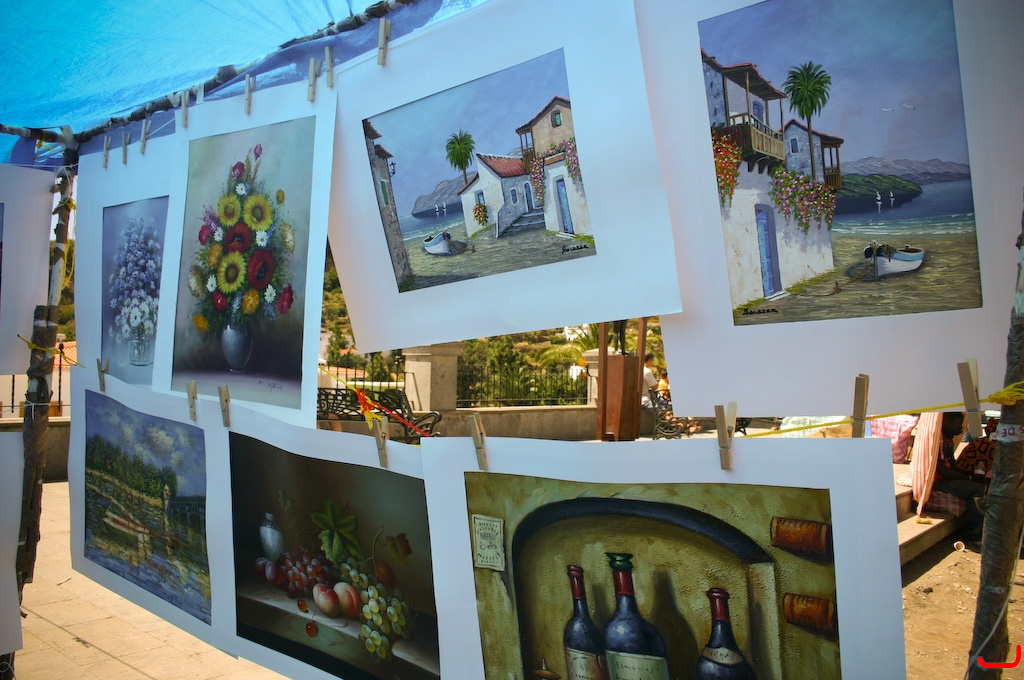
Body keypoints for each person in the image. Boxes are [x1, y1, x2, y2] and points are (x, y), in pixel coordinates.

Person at [932, 413, 996, 542]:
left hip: (946, 479)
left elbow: (952, 465)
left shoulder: (948, 439)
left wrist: (971, 475)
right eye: (958, 424)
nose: (961, 428)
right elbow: (942, 469)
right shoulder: (939, 439)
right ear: (947, 422)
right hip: (938, 481)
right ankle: (976, 535)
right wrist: (968, 478)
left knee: (981, 486)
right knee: (978, 489)